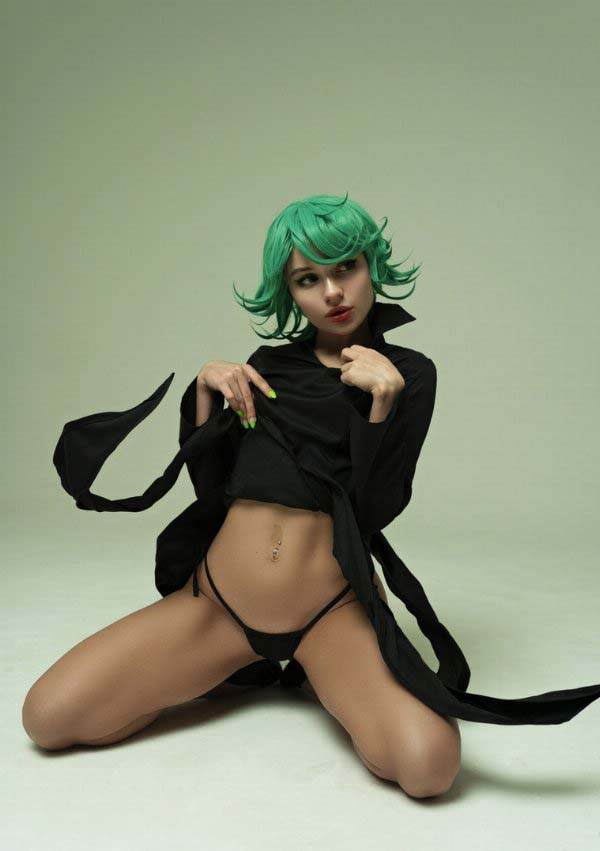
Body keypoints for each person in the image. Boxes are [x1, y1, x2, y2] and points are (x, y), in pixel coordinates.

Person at [22, 194, 599, 798]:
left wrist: (380, 409)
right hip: (219, 605)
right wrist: (204, 394)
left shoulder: (407, 373)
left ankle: (311, 668)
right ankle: (229, 666)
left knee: (428, 768)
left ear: (372, 266)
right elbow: (214, 490)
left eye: (346, 267)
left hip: (331, 612)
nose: (333, 292)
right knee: (48, 718)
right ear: (289, 292)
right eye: (308, 279)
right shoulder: (266, 366)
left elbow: (376, 507)